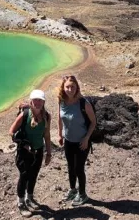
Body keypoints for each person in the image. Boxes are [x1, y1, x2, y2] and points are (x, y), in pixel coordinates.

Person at [9, 89, 52, 214]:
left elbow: (47, 136)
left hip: (38, 151)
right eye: (35, 100)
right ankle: (21, 202)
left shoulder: (47, 116)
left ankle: (29, 198)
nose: (38, 102)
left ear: (43, 102)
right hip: (24, 152)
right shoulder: (25, 115)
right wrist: (23, 143)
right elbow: (11, 131)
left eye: (40, 100)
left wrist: (48, 153)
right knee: (24, 176)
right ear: (31, 101)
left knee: (33, 175)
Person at [57, 75, 96, 206]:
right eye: (67, 87)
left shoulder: (83, 103)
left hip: (81, 142)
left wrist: (86, 139)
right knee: (70, 167)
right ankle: (73, 190)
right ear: (63, 87)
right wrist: (60, 134)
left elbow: (93, 122)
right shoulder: (61, 101)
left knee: (79, 168)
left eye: (72, 87)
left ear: (77, 87)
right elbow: (59, 118)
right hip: (68, 141)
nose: (70, 89)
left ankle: (83, 194)